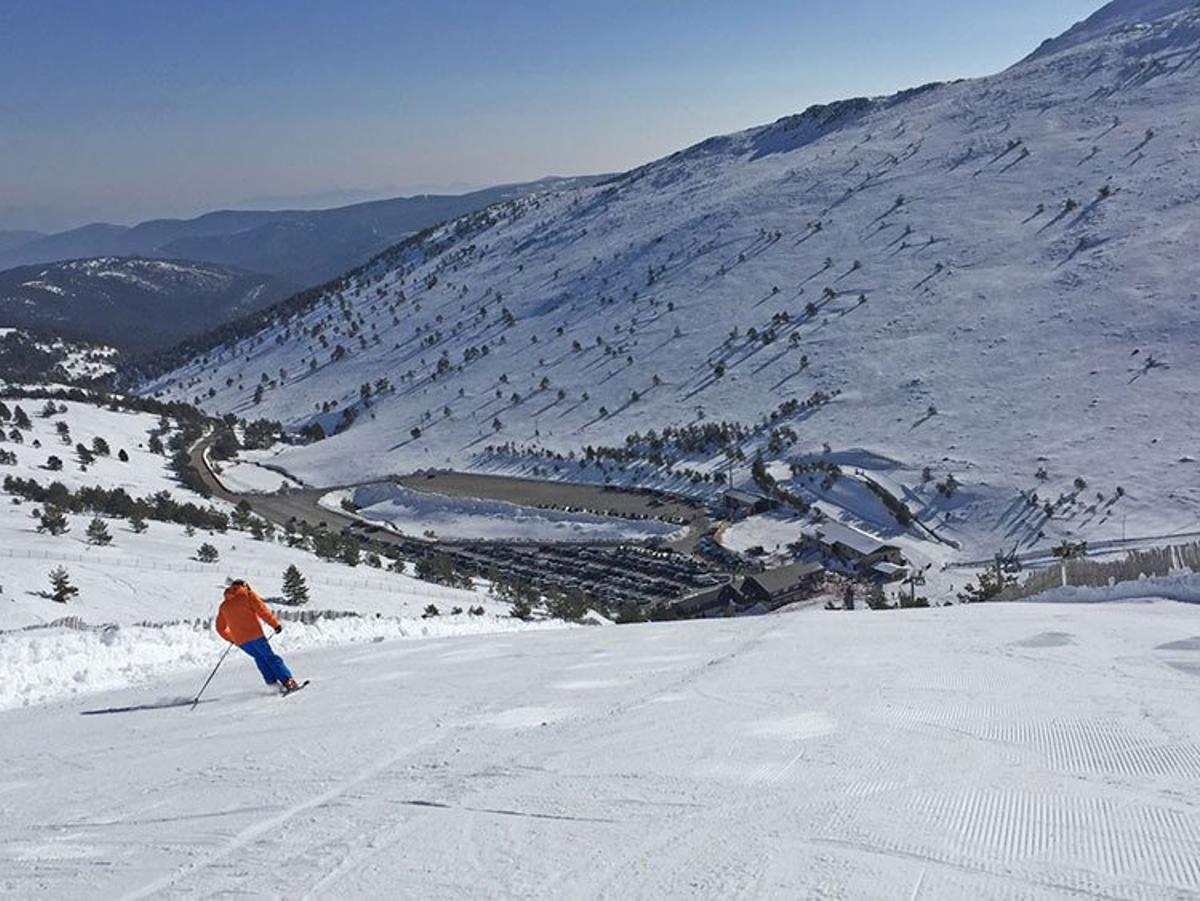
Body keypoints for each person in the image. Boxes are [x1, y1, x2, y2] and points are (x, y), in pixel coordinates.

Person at [215, 579, 301, 693]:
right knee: (270, 658)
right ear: (243, 586)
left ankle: (273, 685)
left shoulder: (224, 606)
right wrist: (275, 625)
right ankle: (288, 681)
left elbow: (220, 628)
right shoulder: (248, 595)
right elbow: (262, 611)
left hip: (241, 641)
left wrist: (232, 639)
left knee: (260, 659)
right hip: (255, 635)